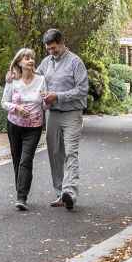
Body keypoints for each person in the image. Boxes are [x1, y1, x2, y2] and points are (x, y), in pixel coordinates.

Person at [36, 28, 88, 211]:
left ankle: (70, 193)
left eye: (54, 48)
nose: (51, 52)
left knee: (71, 153)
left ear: (62, 42)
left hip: (72, 114)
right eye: (48, 49)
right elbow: (34, 81)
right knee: (55, 154)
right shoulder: (45, 63)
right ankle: (60, 193)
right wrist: (14, 76)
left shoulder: (75, 62)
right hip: (53, 115)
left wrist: (57, 96)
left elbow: (82, 90)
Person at [1, 48, 46, 211]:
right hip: (14, 126)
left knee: (26, 160)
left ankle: (21, 197)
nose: (30, 60)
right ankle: (21, 191)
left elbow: (45, 104)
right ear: (19, 62)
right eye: (26, 58)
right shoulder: (12, 80)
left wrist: (46, 101)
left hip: (34, 127)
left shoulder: (41, 80)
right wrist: (16, 108)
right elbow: (4, 102)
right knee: (17, 160)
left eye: (32, 58)